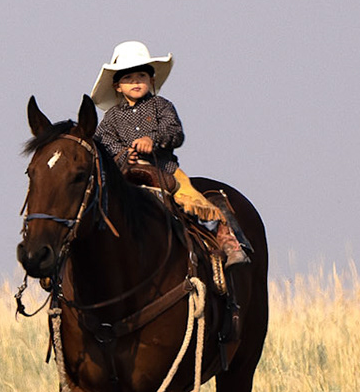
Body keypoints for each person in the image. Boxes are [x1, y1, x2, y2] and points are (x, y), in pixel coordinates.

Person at [90, 40, 250, 276]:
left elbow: (175, 132)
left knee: (196, 202)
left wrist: (152, 140)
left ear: (151, 80)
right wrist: (124, 153)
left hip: (165, 169)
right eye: (128, 78)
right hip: (126, 174)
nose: (136, 82)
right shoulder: (111, 117)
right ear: (118, 86)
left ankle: (227, 242)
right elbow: (102, 141)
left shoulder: (162, 106)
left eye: (141, 76)